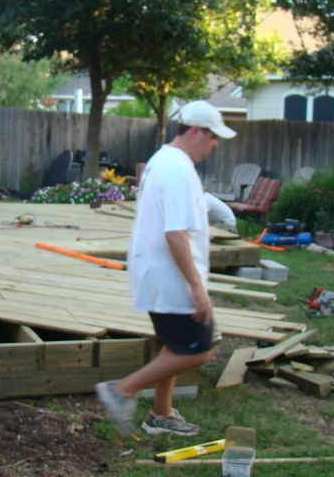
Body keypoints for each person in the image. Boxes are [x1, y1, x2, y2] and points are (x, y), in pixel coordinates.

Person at [96, 100, 236, 437]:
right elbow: (174, 233)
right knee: (200, 350)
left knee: (177, 345)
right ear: (198, 131)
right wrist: (197, 287)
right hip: (170, 277)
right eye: (214, 137)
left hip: (161, 274)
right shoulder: (176, 169)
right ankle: (121, 390)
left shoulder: (165, 160)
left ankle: (161, 413)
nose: (216, 144)